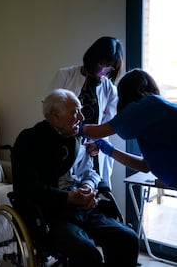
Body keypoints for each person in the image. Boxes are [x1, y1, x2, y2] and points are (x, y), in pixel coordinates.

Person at [12, 88, 139, 267]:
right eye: (75, 112)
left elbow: (90, 172)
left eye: (80, 111)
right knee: (88, 254)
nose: (81, 117)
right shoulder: (30, 140)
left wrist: (88, 187)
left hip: (83, 209)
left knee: (127, 238)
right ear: (55, 116)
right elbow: (28, 187)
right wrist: (68, 197)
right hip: (51, 215)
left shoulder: (76, 139)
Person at [81, 69, 177, 188]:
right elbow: (144, 166)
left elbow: (96, 133)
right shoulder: (154, 116)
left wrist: (75, 126)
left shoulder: (144, 106)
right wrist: (109, 150)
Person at [50, 36, 124, 187]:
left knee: (94, 191)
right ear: (93, 57)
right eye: (102, 63)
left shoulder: (110, 90)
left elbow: (108, 126)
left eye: (110, 67)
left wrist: (98, 144)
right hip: (63, 149)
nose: (104, 70)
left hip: (91, 154)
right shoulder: (65, 76)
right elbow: (50, 113)